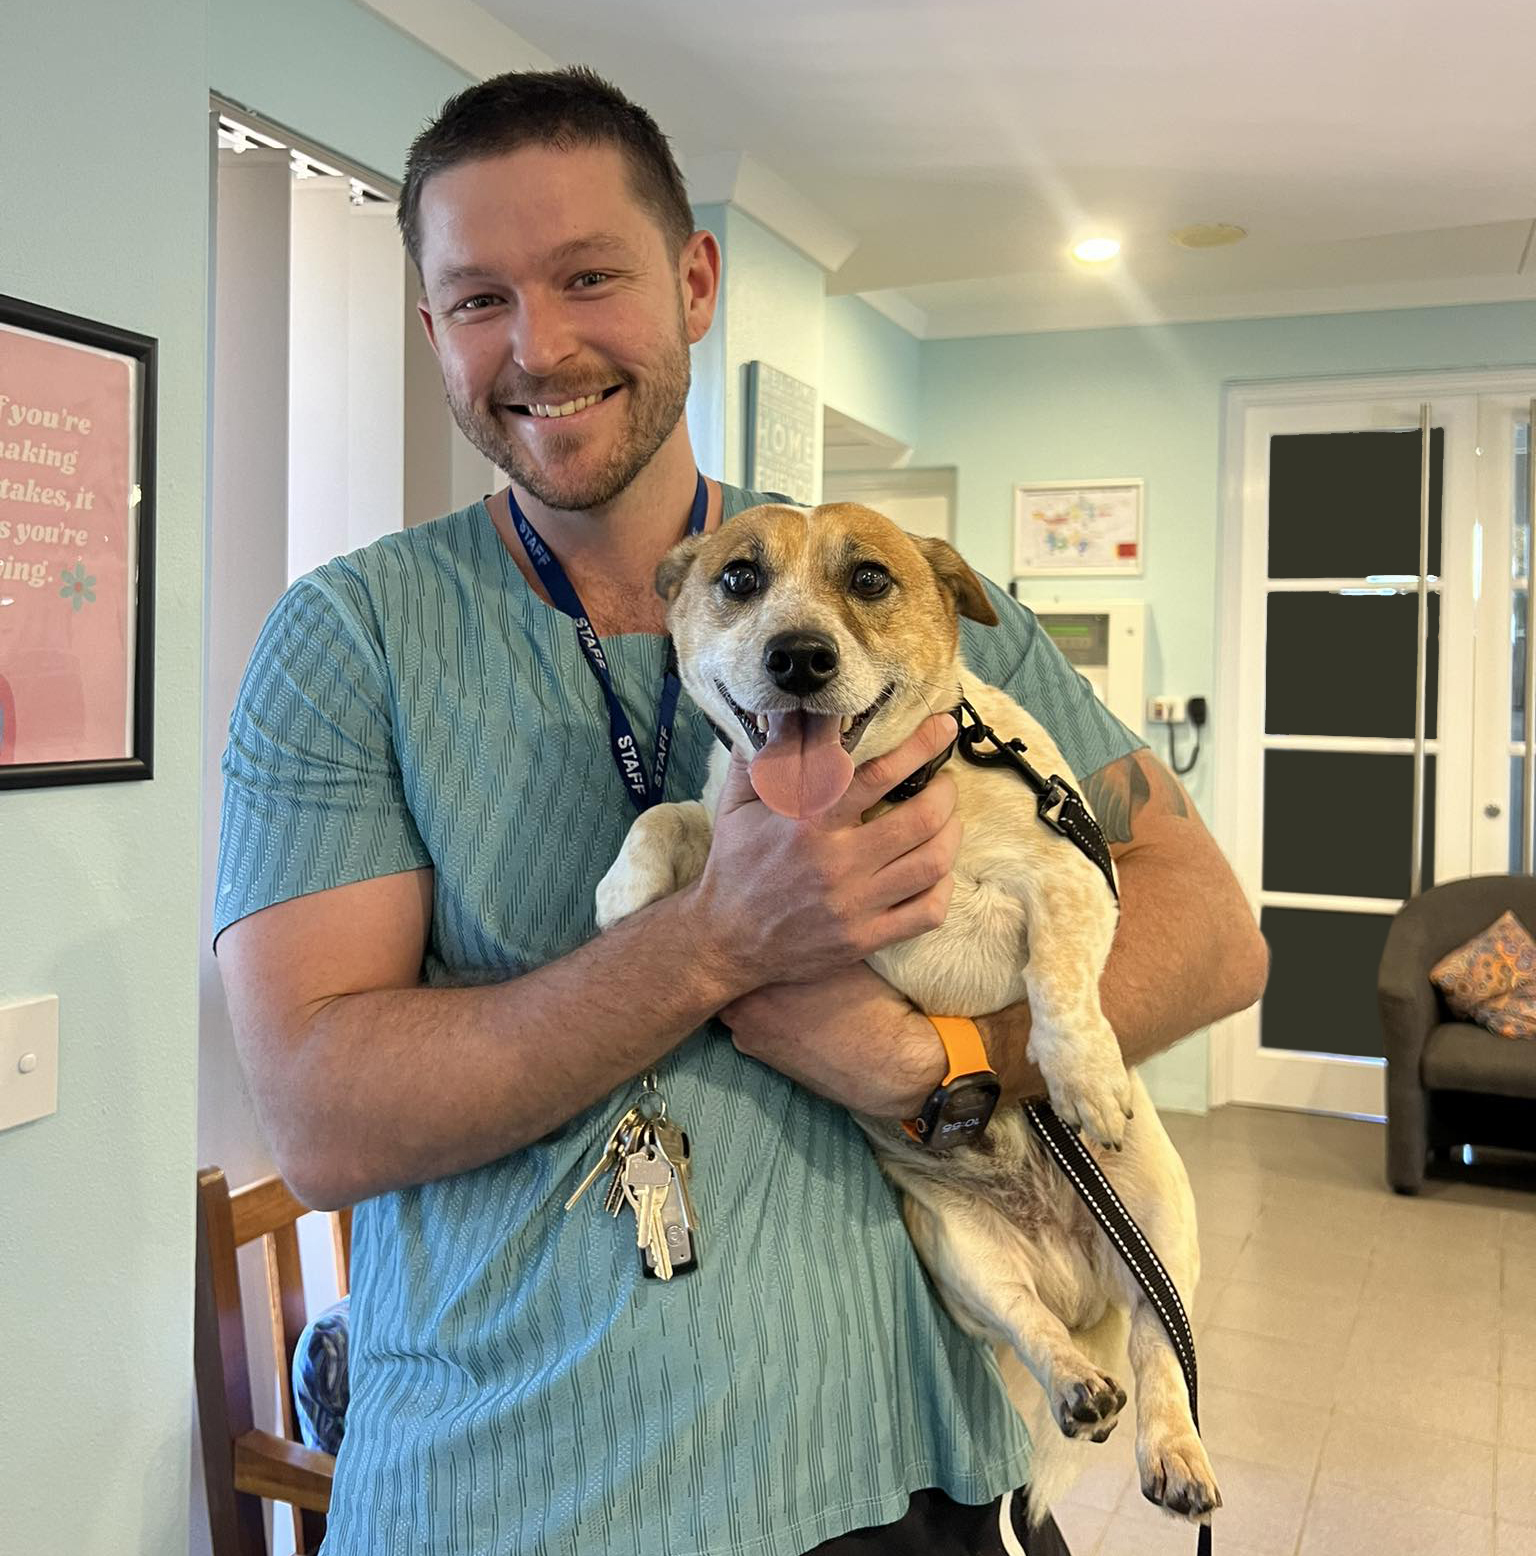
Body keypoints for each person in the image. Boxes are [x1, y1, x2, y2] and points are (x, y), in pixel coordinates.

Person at [214, 66, 1268, 1556]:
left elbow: (1214, 930)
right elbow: (319, 1117)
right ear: (431, 325)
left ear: (695, 280)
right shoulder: (351, 644)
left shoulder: (903, 605)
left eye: (590, 275)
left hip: (900, 1478)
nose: (540, 344)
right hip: (500, 1493)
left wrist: (948, 1058)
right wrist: (716, 946)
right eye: (476, 299)